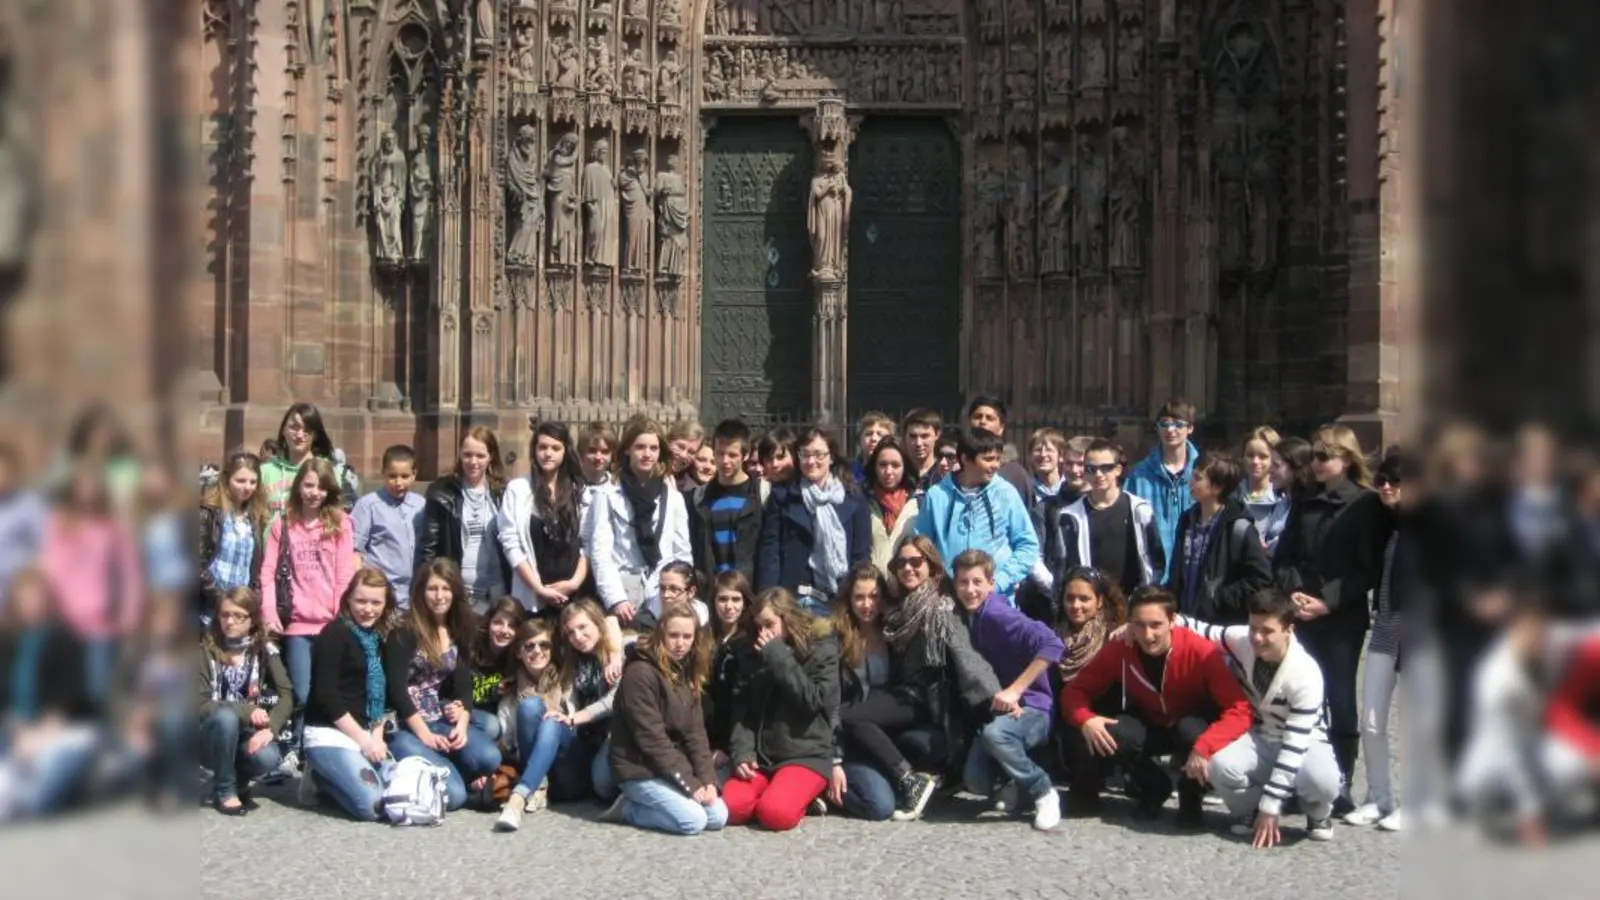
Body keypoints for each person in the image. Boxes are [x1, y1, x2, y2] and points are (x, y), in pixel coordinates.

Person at [1059, 585, 1254, 826]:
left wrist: (1205, 746)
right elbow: (1075, 691)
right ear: (1130, 623)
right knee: (1114, 732)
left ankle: (1191, 796)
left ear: (1172, 620)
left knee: (1191, 731)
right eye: (1139, 625)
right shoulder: (1121, 648)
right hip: (1152, 719)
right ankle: (1154, 787)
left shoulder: (1201, 652)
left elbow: (1240, 710)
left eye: (1155, 625)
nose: (1148, 635)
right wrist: (1086, 718)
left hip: (1194, 724)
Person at [1273, 423, 1387, 817]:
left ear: (1347, 459)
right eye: (1315, 455)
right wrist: (1294, 595)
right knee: (1302, 699)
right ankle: (1296, 779)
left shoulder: (1365, 504)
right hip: (1301, 613)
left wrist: (1326, 602)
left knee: (1339, 699)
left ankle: (1338, 785)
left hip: (1339, 619)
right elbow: (1284, 556)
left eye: (1325, 456)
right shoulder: (1306, 500)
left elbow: (1366, 569)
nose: (1316, 463)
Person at [1187, 589, 1342, 846]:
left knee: (1324, 782)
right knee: (1218, 765)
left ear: (1288, 629)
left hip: (1304, 741)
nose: (1257, 638)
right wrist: (1160, 621)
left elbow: (1294, 744)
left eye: (1267, 631)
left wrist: (1272, 807)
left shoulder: (1306, 674)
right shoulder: (1242, 640)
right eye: (1253, 628)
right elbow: (1200, 629)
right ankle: (1248, 810)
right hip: (1260, 736)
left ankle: (1318, 813)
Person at [951, 550, 1066, 831]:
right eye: (963, 582)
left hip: (1035, 707)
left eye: (977, 582)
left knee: (996, 735)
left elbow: (1053, 645)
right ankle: (1012, 779)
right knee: (976, 780)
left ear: (991, 583)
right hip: (1001, 711)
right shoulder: (971, 616)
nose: (970, 590)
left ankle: (1043, 790)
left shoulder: (997, 615)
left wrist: (1016, 690)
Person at [385, 559, 502, 812]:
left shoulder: (457, 627)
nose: (439, 596)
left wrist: (461, 721)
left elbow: (463, 682)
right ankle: (457, 779)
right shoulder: (404, 629)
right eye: (432, 588)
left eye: (446, 588)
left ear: (455, 591)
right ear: (420, 591)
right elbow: (396, 690)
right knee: (456, 795)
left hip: (437, 714)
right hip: (405, 724)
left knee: (491, 757)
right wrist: (425, 735)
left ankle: (449, 766)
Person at [604, 602, 728, 835]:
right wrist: (689, 784)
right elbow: (652, 740)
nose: (680, 643)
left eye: (687, 636)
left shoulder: (687, 669)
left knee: (717, 817)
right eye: (673, 635)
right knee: (693, 821)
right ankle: (628, 808)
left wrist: (708, 779)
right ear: (661, 633)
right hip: (638, 768)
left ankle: (671, 799)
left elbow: (696, 734)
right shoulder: (640, 673)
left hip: (670, 765)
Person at [724, 587, 842, 831]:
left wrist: (778, 657)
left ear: (788, 620)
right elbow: (741, 711)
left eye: (770, 624)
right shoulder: (749, 652)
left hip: (805, 752)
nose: (763, 633)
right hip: (762, 755)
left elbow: (813, 701)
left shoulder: (821, 649)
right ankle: (775, 790)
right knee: (731, 808)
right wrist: (742, 752)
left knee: (775, 814)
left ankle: (801, 797)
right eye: (758, 626)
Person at [261, 457, 356, 758]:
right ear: (299, 485)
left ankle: (317, 752)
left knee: (327, 691)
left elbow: (345, 574)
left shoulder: (341, 522)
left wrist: (341, 617)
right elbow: (267, 572)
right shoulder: (284, 523)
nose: (314, 492)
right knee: (301, 692)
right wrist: (269, 613)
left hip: (330, 622)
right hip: (297, 623)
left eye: (321, 487)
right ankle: (298, 748)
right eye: (309, 485)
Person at [830, 563, 940, 820]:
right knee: (880, 806)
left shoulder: (895, 629)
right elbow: (830, 695)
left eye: (874, 596)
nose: (867, 604)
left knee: (847, 715)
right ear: (849, 599)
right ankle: (907, 779)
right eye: (859, 597)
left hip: (897, 710)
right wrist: (833, 761)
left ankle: (909, 777)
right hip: (859, 733)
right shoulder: (837, 638)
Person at [0, 569, 100, 823]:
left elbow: (66, 698)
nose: (31, 603)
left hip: (60, 730)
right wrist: (15, 727)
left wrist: (37, 737)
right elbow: (6, 697)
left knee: (39, 797)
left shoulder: (65, 638)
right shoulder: (9, 641)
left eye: (36, 596)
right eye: (25, 598)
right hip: (17, 733)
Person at [299, 568, 397, 822]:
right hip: (329, 734)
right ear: (348, 600)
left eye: (376, 602)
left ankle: (338, 776)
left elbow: (382, 696)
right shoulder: (334, 634)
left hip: (365, 733)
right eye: (361, 601)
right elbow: (327, 696)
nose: (368, 609)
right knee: (372, 806)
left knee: (394, 792)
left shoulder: (377, 639)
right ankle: (320, 779)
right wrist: (365, 742)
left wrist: (377, 737)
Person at [1347, 449, 1408, 831]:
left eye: (1394, 481)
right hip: (1386, 625)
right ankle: (1377, 795)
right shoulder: (1390, 523)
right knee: (1371, 719)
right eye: (1381, 480)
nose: (1385, 487)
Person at [586, 416, 693, 629]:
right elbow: (600, 553)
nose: (647, 454)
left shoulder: (672, 497)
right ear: (627, 450)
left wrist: (679, 592)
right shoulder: (607, 495)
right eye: (640, 447)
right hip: (623, 589)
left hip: (663, 591)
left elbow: (682, 552)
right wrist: (616, 598)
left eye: (653, 448)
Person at [198, 587, 295, 816]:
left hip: (246, 734)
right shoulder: (205, 649)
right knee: (225, 717)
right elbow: (200, 703)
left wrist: (271, 728)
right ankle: (225, 791)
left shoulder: (263, 649)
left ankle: (236, 781)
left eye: (238, 616)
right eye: (224, 615)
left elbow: (286, 694)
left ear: (252, 620)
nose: (230, 622)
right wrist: (246, 710)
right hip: (208, 735)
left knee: (269, 757)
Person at [915, 428, 1040, 604]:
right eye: (988, 459)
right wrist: (938, 585)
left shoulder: (1007, 494)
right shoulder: (936, 496)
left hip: (996, 602)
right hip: (948, 604)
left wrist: (998, 582)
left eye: (997, 459)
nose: (995, 465)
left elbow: (1028, 546)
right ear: (965, 459)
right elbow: (921, 546)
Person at [756, 426, 871, 616]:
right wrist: (768, 600)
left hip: (839, 600)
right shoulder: (782, 496)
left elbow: (861, 554)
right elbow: (770, 552)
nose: (811, 461)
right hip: (793, 600)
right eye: (805, 454)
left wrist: (856, 597)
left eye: (818, 454)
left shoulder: (853, 496)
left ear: (831, 457)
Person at [1033, 438, 1163, 597]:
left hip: (1133, 604)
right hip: (1090, 606)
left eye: (1106, 468)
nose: (1098, 474)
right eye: (1091, 469)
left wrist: (1144, 596)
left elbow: (1155, 562)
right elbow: (1063, 569)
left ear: (1118, 470)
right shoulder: (1069, 517)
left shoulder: (1139, 510)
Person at [493, 617, 586, 831]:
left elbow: (576, 728)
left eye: (544, 645)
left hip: (568, 771)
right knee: (530, 707)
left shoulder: (567, 680)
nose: (537, 651)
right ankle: (533, 787)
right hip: (533, 772)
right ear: (519, 653)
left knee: (552, 721)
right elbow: (508, 747)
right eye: (529, 646)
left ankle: (518, 799)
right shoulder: (510, 696)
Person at [1166, 454, 1272, 624]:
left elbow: (1260, 580)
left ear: (1217, 487)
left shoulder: (1239, 527)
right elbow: (1177, 573)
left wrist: (1219, 597)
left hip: (1220, 626)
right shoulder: (1187, 520)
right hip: (1184, 621)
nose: (1190, 482)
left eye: (1198, 478)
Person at [500, 422, 592, 615]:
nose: (548, 453)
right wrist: (538, 589)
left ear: (565, 451)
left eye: (555, 448)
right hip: (532, 597)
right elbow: (511, 544)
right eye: (542, 447)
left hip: (573, 596)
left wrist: (573, 583)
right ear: (534, 450)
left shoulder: (580, 491)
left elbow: (588, 543)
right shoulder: (518, 489)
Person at [420, 426, 512, 612]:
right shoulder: (441, 493)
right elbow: (429, 549)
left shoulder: (504, 493)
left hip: (497, 590)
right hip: (457, 591)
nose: (473, 462)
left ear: (491, 456)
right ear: (460, 455)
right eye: (467, 455)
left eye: (480, 456)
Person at [1123, 397, 1200, 579]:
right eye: (1164, 424)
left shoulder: (1203, 471)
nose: (1170, 430)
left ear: (1190, 428)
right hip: (1152, 573)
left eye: (1178, 424)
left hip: (1194, 573)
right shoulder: (1139, 474)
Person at [197, 452, 271, 627]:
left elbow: (253, 566)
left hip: (239, 610)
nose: (247, 487)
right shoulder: (208, 513)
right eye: (240, 481)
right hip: (208, 606)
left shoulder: (255, 518)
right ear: (226, 479)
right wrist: (219, 596)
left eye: (253, 482)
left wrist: (252, 598)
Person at [689, 419, 766, 580]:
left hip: (748, 589)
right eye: (720, 453)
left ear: (745, 455)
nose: (725, 461)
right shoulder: (700, 498)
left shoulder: (761, 494)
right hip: (713, 590)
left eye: (732, 455)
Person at [350, 445, 425, 611]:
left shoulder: (421, 505)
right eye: (392, 476)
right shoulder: (368, 505)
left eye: (405, 476)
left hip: (413, 595)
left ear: (414, 475)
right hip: (382, 593)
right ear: (383, 473)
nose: (398, 482)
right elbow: (355, 550)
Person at [259, 403, 358, 514]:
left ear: (315, 435)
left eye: (307, 430)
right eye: (294, 427)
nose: (300, 435)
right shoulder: (264, 471)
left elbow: (346, 516)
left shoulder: (330, 471)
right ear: (283, 430)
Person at [704, 571, 754, 772]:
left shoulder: (750, 640)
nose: (729, 606)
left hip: (736, 741)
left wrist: (725, 747)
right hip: (705, 737)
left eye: (736, 599)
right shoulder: (703, 636)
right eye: (723, 599)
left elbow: (746, 704)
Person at [466, 597, 521, 744]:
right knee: (493, 727)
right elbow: (460, 693)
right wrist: (494, 690)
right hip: (465, 709)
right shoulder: (472, 647)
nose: (504, 630)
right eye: (498, 623)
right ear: (488, 623)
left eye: (512, 626)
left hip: (498, 714)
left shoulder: (519, 655)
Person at [863, 437, 919, 579]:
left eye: (895, 465)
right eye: (883, 465)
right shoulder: (862, 502)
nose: (888, 471)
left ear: (905, 467)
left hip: (908, 583)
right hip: (873, 588)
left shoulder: (919, 502)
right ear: (874, 467)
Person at [964, 395, 1033, 503]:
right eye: (977, 417)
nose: (982, 421)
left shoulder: (1014, 474)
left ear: (1001, 428)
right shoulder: (955, 466)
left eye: (989, 418)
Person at [1237, 426, 1290, 554]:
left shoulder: (1285, 500)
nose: (1255, 461)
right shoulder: (1232, 496)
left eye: (1263, 456)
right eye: (1250, 455)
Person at [899, 408, 943, 492]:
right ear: (904, 436)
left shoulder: (944, 474)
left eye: (925, 436)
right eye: (913, 436)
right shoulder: (897, 474)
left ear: (937, 434)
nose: (918, 443)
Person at [850, 411, 896, 487]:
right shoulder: (848, 472)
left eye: (880, 434)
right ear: (859, 439)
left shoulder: (896, 471)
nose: (873, 439)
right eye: (868, 434)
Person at [666, 420, 706, 493]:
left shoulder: (691, 489)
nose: (683, 455)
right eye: (680, 447)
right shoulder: (647, 472)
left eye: (691, 452)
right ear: (669, 440)